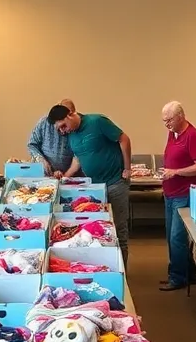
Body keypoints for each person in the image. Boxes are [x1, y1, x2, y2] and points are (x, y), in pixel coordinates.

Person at [47, 104, 133, 260]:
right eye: (59, 129)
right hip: (96, 188)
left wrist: (127, 168)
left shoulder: (97, 121)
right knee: (100, 231)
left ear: (70, 114)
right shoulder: (72, 134)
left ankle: (123, 275)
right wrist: (66, 176)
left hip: (115, 182)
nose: (62, 131)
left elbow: (124, 139)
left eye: (63, 126)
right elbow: (78, 158)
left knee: (119, 231)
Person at [159, 101, 196, 291]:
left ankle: (178, 278)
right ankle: (187, 273)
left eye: (169, 120)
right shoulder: (173, 133)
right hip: (170, 192)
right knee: (170, 236)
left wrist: (176, 172)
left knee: (177, 238)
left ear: (181, 116)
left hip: (184, 193)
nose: (167, 124)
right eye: (164, 121)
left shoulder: (193, 136)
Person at [27, 98, 76, 178]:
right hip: (44, 175)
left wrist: (66, 174)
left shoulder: (76, 126)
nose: (63, 131)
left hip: (70, 176)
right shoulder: (44, 123)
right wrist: (41, 160)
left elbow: (78, 156)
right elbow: (32, 145)